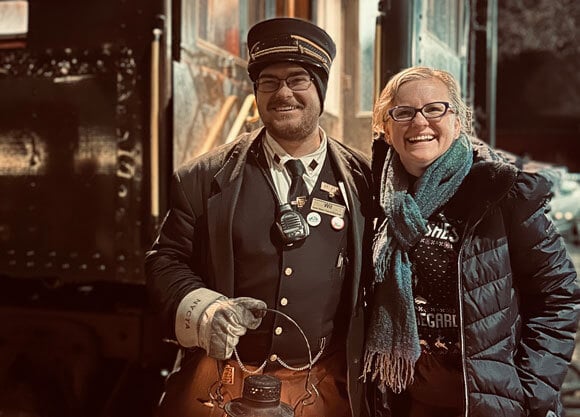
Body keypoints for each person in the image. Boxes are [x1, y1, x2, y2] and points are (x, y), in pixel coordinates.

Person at [145, 17, 374, 417]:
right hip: (221, 381)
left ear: (320, 88)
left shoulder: (364, 182)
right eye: (268, 82)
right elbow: (165, 261)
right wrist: (206, 312)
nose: (282, 93)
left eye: (298, 79)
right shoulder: (200, 178)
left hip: (321, 389)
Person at [363, 65, 580, 417]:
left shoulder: (501, 194)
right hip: (404, 403)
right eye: (403, 112)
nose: (420, 122)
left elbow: (558, 295)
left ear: (458, 121)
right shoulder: (371, 198)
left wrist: (530, 391)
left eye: (435, 109)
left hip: (488, 405)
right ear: (386, 129)